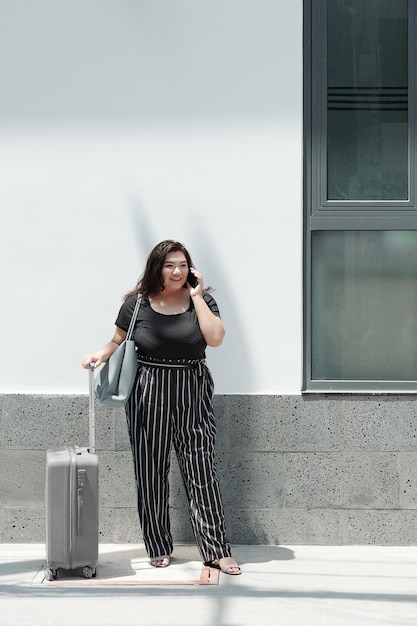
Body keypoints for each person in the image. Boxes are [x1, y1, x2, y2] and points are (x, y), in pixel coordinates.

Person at [82, 240, 240, 575]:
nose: (177, 271)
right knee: (150, 470)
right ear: (157, 267)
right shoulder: (136, 304)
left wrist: (197, 298)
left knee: (202, 470)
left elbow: (216, 339)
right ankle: (157, 544)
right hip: (147, 390)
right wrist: (100, 354)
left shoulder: (204, 301)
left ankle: (216, 549)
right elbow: (117, 340)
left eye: (183, 265)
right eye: (170, 265)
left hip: (192, 389)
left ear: (191, 268)